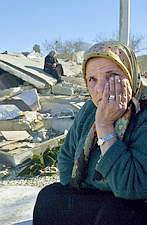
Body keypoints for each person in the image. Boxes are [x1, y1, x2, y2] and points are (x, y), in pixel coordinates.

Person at [33, 41, 147, 225]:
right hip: (95, 200)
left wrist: (104, 126)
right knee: (48, 198)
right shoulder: (88, 110)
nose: (100, 90)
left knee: (118, 215)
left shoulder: (143, 114)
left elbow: (132, 186)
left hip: (131, 206)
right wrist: (104, 187)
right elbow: (65, 164)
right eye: (92, 79)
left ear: (131, 75)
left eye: (112, 77)